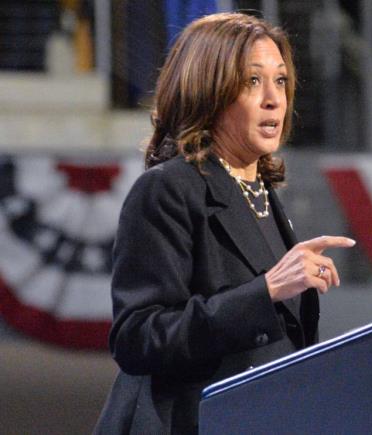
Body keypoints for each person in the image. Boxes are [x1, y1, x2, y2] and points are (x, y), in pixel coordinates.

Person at [94, 12, 355, 434]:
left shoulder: (263, 196)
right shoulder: (168, 190)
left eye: (281, 81)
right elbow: (137, 337)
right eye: (253, 81)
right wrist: (264, 292)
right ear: (208, 91)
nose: (274, 99)